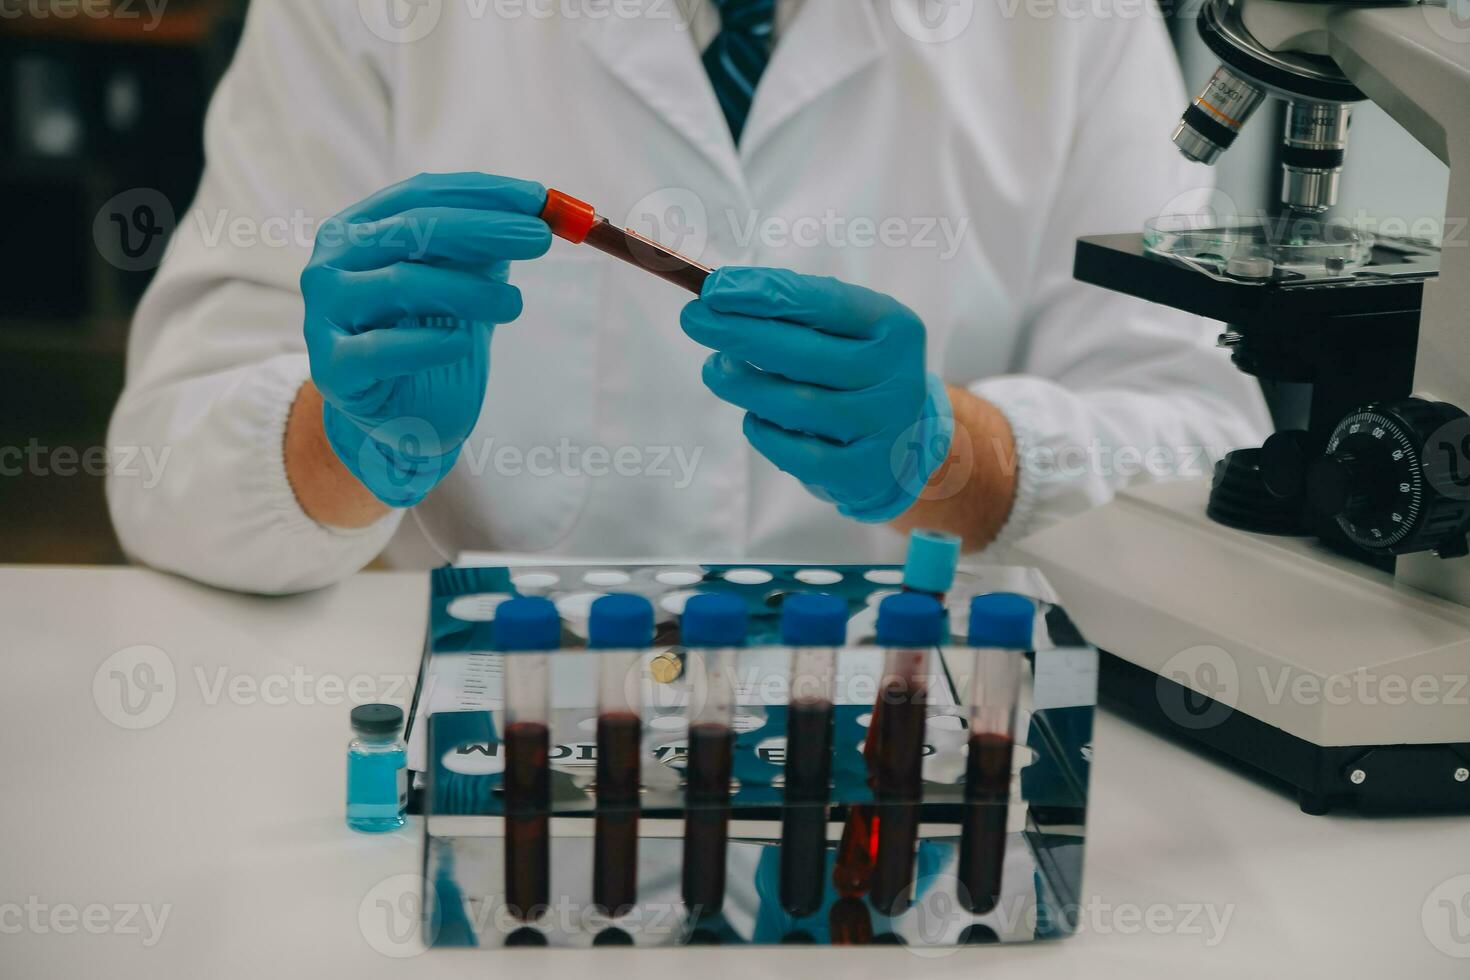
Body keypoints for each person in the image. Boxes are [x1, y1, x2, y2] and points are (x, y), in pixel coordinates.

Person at [107, 0, 1269, 594]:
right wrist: (342, 439)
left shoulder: (1072, 19)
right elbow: (161, 467)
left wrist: (958, 457)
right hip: (481, 726)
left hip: (907, 721)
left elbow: (1218, 444)